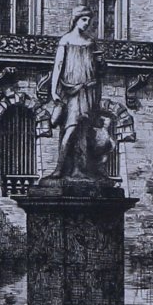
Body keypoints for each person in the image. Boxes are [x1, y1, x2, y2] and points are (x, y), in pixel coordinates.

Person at [47, 10, 109, 179]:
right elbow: (58, 66)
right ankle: (60, 168)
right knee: (70, 129)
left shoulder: (90, 42)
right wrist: (53, 90)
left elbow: (98, 71)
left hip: (88, 91)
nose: (86, 23)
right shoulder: (66, 40)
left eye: (88, 20)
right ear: (75, 20)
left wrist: (101, 64)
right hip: (72, 91)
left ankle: (78, 169)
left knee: (83, 131)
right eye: (83, 19)